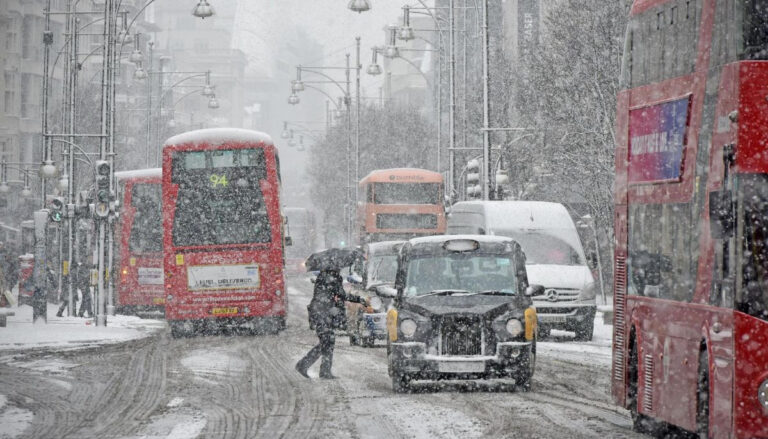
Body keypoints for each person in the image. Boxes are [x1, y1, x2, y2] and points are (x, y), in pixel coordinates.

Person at [296, 268, 367, 379]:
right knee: (327, 340)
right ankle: (307, 366)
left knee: (327, 341)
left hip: (321, 312)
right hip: (322, 313)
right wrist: (359, 299)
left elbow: (335, 295)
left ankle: (317, 368)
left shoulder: (325, 276)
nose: (340, 268)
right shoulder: (331, 278)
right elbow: (342, 294)